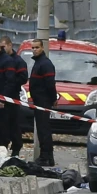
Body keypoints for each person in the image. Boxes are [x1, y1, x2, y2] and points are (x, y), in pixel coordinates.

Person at [29, 39, 57, 167]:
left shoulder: (45, 64)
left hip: (43, 101)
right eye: (33, 48)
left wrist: (52, 99)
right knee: (41, 129)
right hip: (38, 101)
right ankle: (47, 157)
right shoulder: (38, 63)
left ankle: (45, 157)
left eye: (37, 47)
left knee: (44, 130)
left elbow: (50, 84)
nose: (34, 50)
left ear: (42, 48)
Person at [0, 36, 28, 157]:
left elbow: (23, 78)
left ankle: (16, 148)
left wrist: (11, 81)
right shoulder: (0, 60)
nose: (2, 49)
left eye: (4, 46)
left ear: (10, 45)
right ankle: (3, 147)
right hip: (1, 96)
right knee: (2, 124)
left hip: (12, 96)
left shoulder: (18, 61)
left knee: (14, 123)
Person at [0, 38, 16, 148]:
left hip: (1, 103)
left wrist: (3, 99)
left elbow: (10, 82)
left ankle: (2, 152)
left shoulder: (7, 61)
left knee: (2, 130)